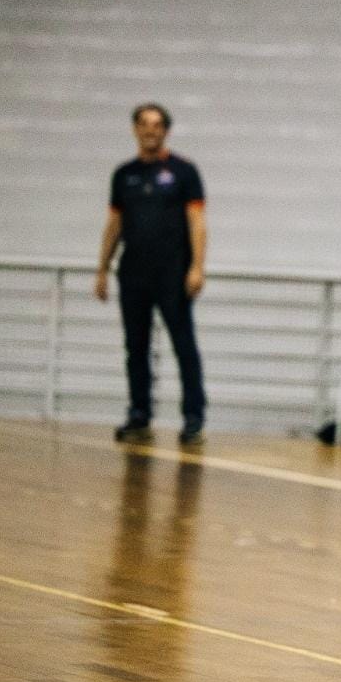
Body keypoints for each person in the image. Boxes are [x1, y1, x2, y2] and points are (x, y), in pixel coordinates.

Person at [94, 103, 208, 445]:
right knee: (136, 346)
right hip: (133, 274)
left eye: (157, 125)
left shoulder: (183, 172)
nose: (150, 130)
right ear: (134, 129)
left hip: (173, 274)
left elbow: (198, 223)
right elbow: (114, 224)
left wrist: (197, 267)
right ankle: (139, 413)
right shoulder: (123, 175)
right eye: (144, 124)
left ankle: (193, 417)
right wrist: (101, 268)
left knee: (183, 345)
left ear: (166, 131)